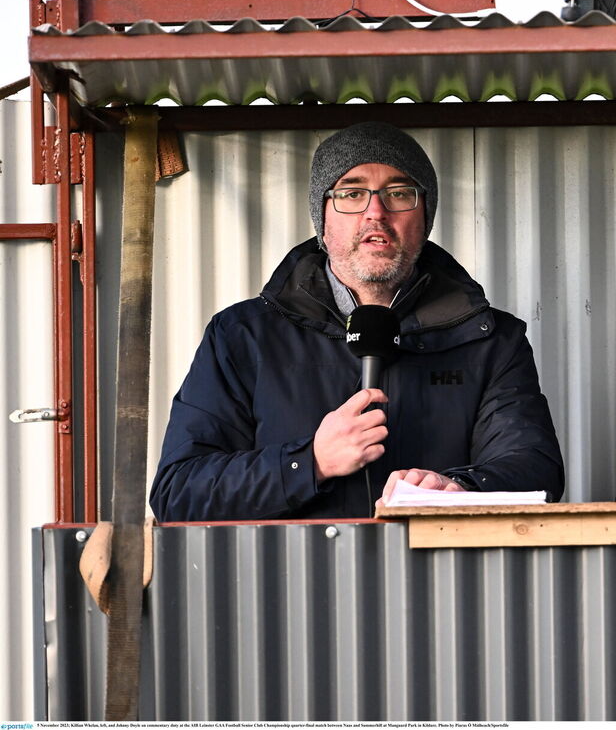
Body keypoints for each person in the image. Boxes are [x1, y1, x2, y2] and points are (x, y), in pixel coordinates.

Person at [150, 122, 564, 521]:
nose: (376, 213)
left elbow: (536, 471)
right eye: (351, 194)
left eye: (399, 194)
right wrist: (309, 463)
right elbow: (179, 492)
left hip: (443, 586)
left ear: (424, 217)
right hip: (289, 586)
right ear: (323, 218)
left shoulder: (491, 340)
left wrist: (462, 490)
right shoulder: (242, 337)